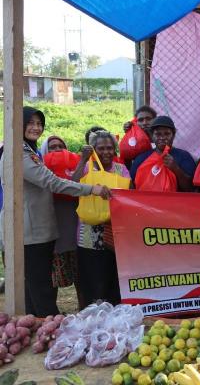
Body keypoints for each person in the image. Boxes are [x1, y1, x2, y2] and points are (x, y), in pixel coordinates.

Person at [0, 107, 110, 317]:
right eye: (30, 123)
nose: (36, 127)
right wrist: (92, 189)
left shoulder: (25, 150)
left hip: (30, 229)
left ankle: (37, 324)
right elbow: (51, 182)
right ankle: (51, 328)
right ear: (18, 124)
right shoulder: (20, 152)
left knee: (33, 287)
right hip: (30, 232)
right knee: (40, 287)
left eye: (39, 123)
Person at [72, 130, 129, 307]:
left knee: (112, 278)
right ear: (94, 150)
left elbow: (129, 195)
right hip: (89, 235)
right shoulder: (87, 167)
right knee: (92, 278)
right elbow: (73, 185)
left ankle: (113, 315)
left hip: (114, 232)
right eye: (101, 148)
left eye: (110, 148)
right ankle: (92, 314)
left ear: (115, 150)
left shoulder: (122, 170)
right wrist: (82, 159)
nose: (106, 152)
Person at [40, 135, 85, 309]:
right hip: (54, 232)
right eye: (52, 147)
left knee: (80, 276)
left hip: (74, 230)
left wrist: (82, 162)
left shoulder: (73, 165)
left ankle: (83, 309)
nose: (57, 149)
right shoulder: (41, 169)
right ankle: (53, 312)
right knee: (53, 279)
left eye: (61, 145)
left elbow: (75, 185)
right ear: (45, 150)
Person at [130, 116, 196, 192]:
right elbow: (132, 187)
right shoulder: (141, 158)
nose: (162, 137)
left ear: (173, 135)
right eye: (158, 134)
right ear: (152, 136)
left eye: (167, 134)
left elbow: (191, 189)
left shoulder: (184, 156)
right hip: (145, 203)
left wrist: (175, 168)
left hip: (174, 203)